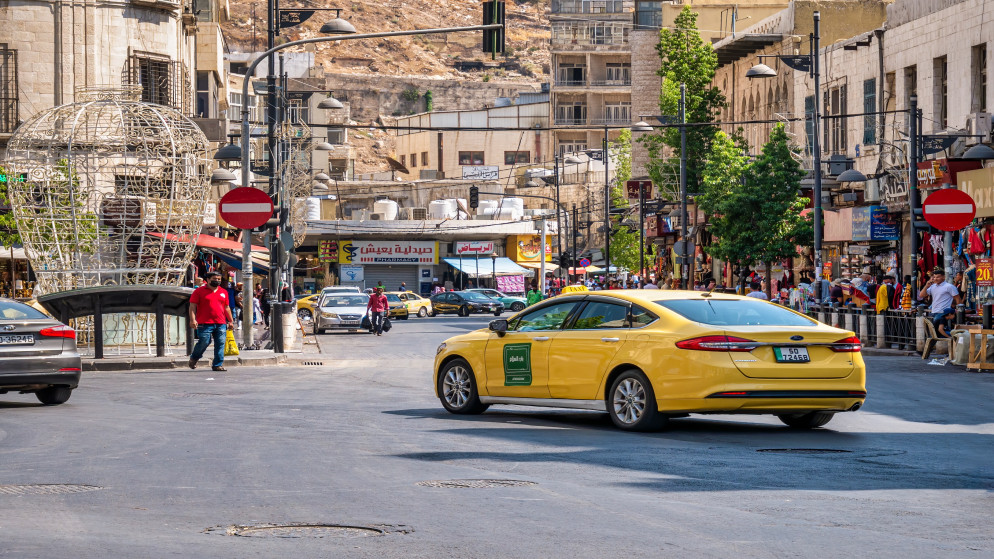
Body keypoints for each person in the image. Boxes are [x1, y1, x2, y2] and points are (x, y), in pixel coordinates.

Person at [189, 272, 235, 372]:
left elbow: (227, 307)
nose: (217, 281)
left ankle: (217, 365)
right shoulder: (199, 291)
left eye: (219, 279)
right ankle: (194, 357)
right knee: (204, 341)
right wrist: (192, 319)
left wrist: (231, 321)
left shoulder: (224, 292)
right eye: (214, 279)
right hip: (204, 323)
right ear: (208, 279)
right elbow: (192, 306)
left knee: (220, 343)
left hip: (221, 323)